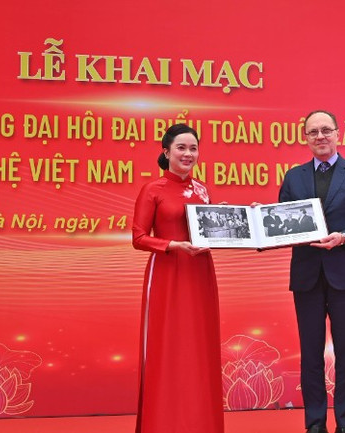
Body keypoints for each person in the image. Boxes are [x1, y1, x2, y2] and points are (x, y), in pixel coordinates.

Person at [278, 110, 345, 433]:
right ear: (305, 138)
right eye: (313, 132)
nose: (320, 136)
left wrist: (344, 237)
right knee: (310, 354)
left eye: (325, 130)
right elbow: (282, 222)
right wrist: (263, 218)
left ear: (337, 134)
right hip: (306, 275)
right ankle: (315, 423)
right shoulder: (294, 177)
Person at [131, 124, 224, 433]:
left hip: (200, 272)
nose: (188, 154)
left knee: (199, 347)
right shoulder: (153, 189)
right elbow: (139, 238)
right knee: (168, 346)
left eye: (193, 148)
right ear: (166, 152)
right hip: (168, 273)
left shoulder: (202, 190)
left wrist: (229, 217)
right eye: (181, 148)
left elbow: (207, 231)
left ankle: (200, 423)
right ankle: (163, 423)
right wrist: (171, 245)